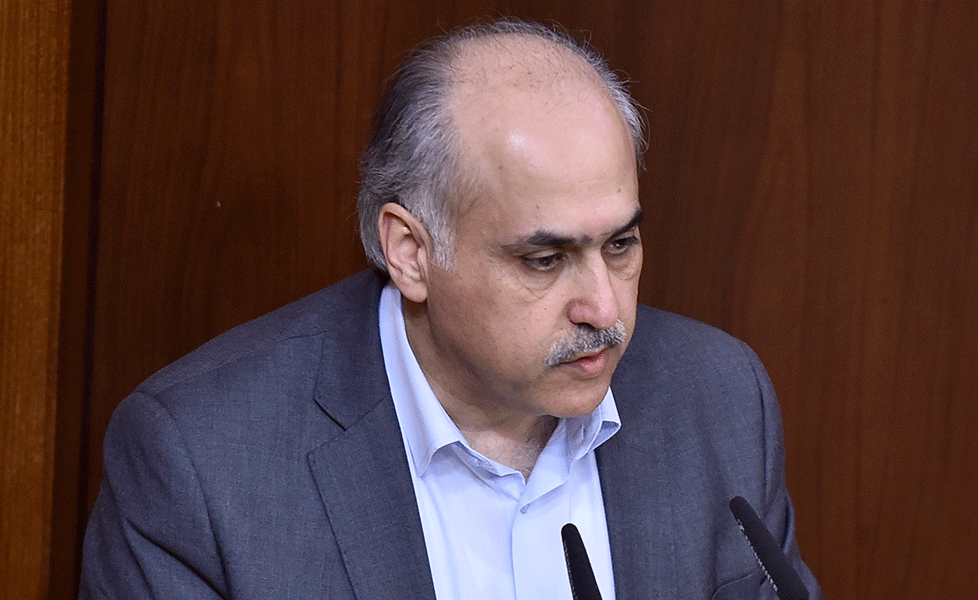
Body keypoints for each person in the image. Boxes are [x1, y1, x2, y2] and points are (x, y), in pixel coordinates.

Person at [79, 18, 822, 600]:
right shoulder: (202, 461)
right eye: (544, 259)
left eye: (620, 244)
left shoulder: (720, 398)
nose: (604, 306)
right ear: (410, 252)